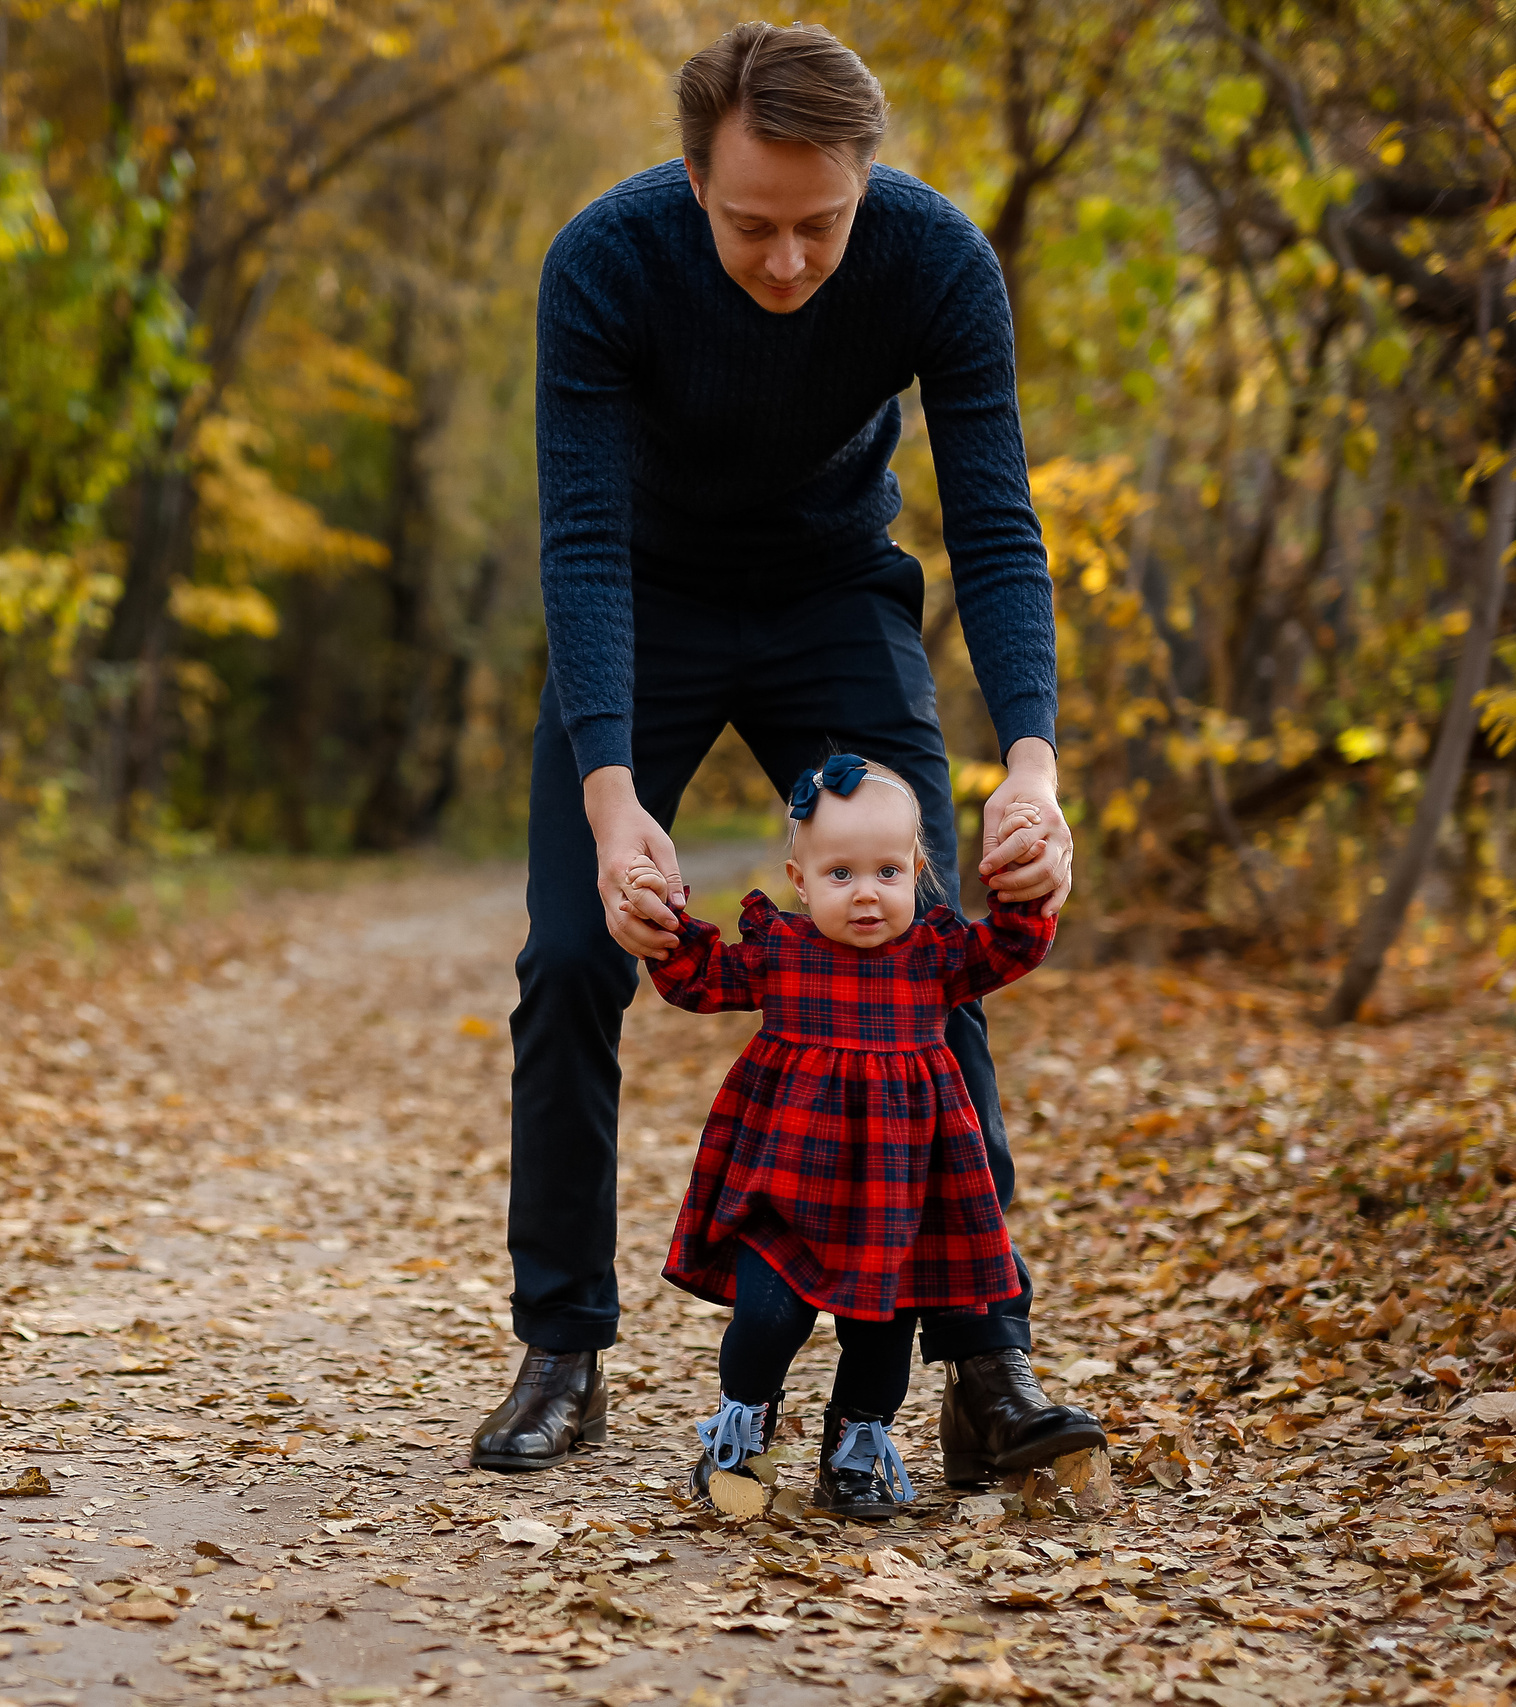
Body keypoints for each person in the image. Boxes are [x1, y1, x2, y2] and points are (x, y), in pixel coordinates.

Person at [469, 20, 1106, 1485]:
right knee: (572, 952)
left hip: (833, 595)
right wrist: (616, 800)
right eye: (753, 223)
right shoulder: (608, 261)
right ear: (695, 180)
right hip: (645, 599)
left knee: (926, 943)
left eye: (821, 222)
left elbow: (998, 524)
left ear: (863, 184)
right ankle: (563, 1345)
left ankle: (987, 1359)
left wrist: (1031, 768)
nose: (789, 260)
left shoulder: (936, 260)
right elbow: (577, 537)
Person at [638, 757, 1051, 1520]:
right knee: (765, 1319)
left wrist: (1026, 876)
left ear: (918, 871)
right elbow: (699, 978)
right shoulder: (782, 952)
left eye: (888, 870)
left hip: (897, 1196)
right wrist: (658, 913)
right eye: (841, 874)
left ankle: (855, 1448)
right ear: (800, 877)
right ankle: (742, 1428)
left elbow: (1012, 947)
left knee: (881, 1339)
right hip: (788, 1182)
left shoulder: (933, 956)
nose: (866, 892)